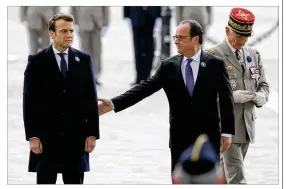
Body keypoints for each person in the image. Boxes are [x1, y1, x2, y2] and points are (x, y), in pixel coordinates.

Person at [98, 19, 235, 180]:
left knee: (209, 180)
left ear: (195, 39)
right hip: (179, 135)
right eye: (175, 37)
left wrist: (227, 131)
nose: (176, 42)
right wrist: (114, 103)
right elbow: (144, 89)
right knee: (178, 179)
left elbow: (227, 99)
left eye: (181, 38)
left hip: (208, 135)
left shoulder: (215, 64)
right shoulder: (169, 66)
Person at [23, 13, 100, 184]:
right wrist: (32, 136)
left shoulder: (83, 60)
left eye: (71, 31)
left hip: (76, 138)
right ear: (52, 34)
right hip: (46, 137)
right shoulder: (36, 61)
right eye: (64, 31)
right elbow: (29, 102)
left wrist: (92, 134)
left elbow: (90, 99)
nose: (69, 35)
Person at [205, 7, 270, 184]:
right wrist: (232, 96)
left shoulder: (253, 54)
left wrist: (262, 96)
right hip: (225, 127)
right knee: (237, 177)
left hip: (247, 126)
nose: (242, 41)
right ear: (227, 31)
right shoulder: (213, 56)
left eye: (246, 36)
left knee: (225, 176)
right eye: (239, 36)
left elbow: (263, 84)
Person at [71, 6, 110, 85]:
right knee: (84, 51)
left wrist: (106, 24)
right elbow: (73, 7)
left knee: (97, 50)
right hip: (83, 22)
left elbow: (106, 8)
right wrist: (74, 23)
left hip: (97, 23)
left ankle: (95, 75)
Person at [123, 6, 162, 85]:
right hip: (136, 14)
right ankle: (139, 76)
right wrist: (126, 14)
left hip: (150, 13)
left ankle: (147, 75)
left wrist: (158, 13)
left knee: (149, 46)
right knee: (137, 47)